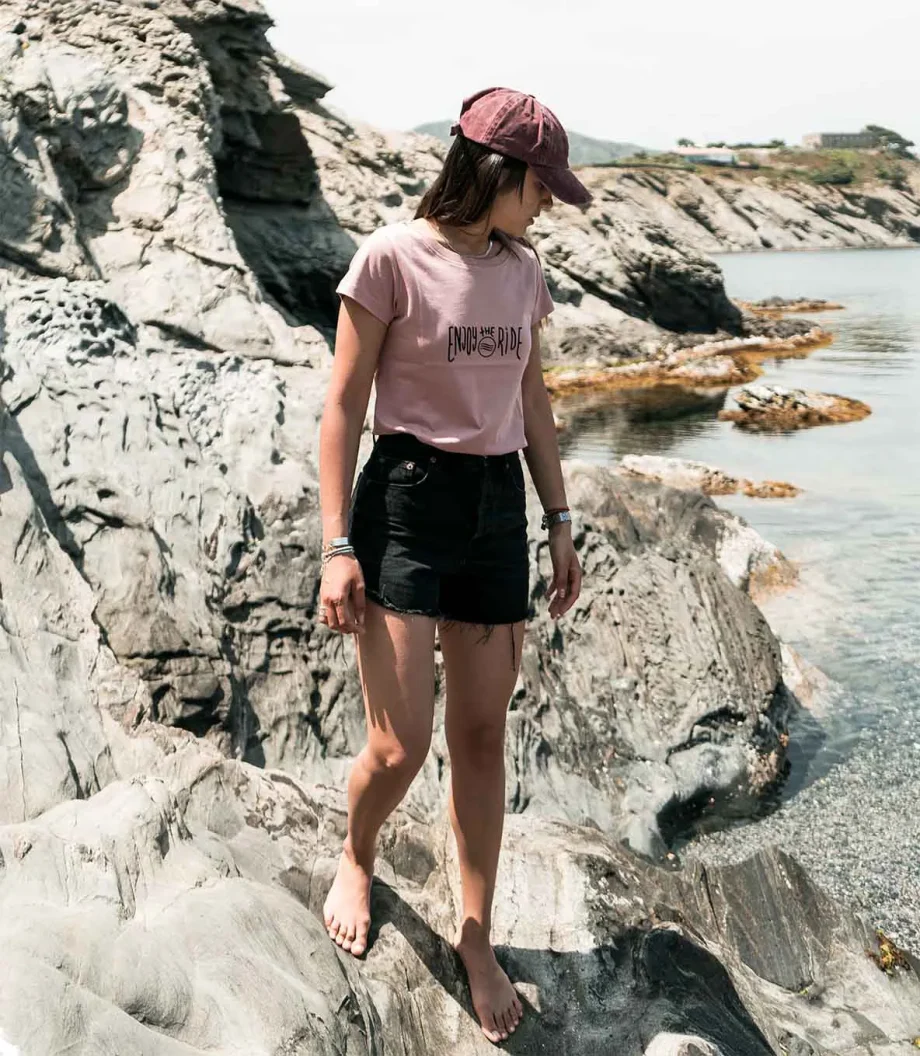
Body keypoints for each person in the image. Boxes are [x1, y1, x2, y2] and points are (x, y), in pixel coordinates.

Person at [317, 86, 590, 1044]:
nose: (548, 202)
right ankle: (358, 852)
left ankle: (476, 934)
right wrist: (337, 545)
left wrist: (558, 520)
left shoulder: (523, 272)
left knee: (481, 737)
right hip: (405, 503)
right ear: (495, 172)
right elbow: (344, 408)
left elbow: (536, 405)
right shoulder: (391, 258)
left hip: (494, 511)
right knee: (401, 744)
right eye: (540, 185)